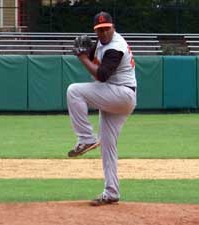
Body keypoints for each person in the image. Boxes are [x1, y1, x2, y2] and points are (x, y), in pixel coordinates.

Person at [67, 11, 137, 206]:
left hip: (121, 94)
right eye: (100, 30)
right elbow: (95, 58)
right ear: (95, 30)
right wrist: (87, 52)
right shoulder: (100, 43)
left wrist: (82, 57)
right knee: (107, 146)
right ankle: (111, 191)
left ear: (113, 27)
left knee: (74, 91)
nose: (104, 33)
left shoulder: (116, 46)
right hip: (114, 95)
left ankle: (85, 138)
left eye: (107, 28)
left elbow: (102, 75)